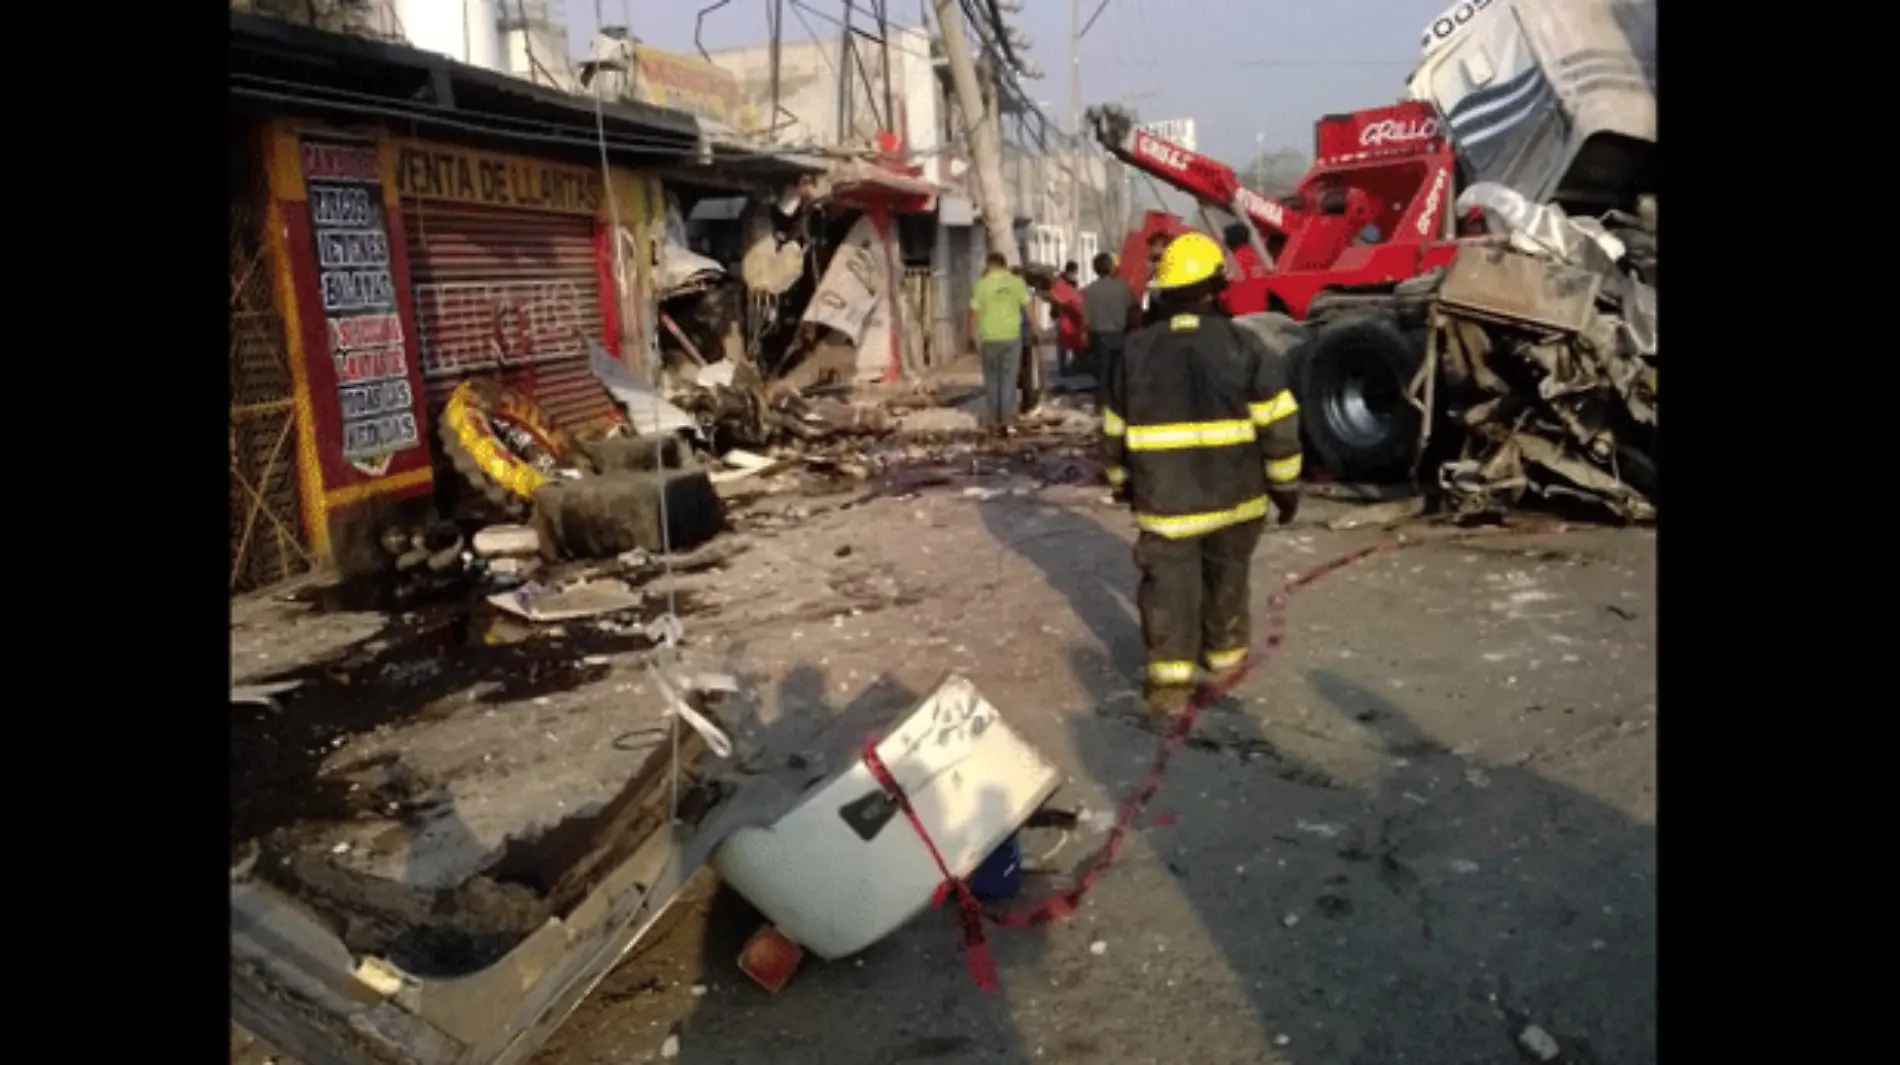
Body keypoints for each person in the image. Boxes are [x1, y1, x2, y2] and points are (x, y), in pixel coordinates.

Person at [1099, 231, 1304, 716]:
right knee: (1227, 581)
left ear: (1165, 291)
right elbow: (1279, 424)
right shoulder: (1246, 345)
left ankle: (1171, 686)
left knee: (1169, 591)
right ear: (1216, 285)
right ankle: (1226, 663)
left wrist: (1120, 482)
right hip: (1240, 501)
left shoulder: (1132, 351)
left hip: (1166, 503)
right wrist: (1286, 487)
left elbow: (1113, 430)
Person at [968, 251, 1032, 434]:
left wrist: (970, 335)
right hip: (1011, 337)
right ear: (1004, 264)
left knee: (992, 380)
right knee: (1008, 378)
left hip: (988, 338)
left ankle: (995, 419)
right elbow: (1028, 307)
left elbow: (973, 313)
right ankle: (1007, 418)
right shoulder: (1016, 283)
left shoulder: (981, 285)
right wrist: (1035, 329)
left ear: (989, 264)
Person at [1080, 251, 1136, 409]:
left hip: (1098, 335)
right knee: (1118, 372)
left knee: (1102, 373)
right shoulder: (1123, 287)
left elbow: (1086, 317)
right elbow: (1133, 308)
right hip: (1119, 334)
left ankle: (1104, 404)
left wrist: (1085, 335)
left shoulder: (1090, 291)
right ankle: (1118, 403)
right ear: (1111, 268)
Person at [1056, 260, 1083, 379]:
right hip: (1062, 315)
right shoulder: (1060, 282)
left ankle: (1072, 366)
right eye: (1073, 272)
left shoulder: (1072, 282)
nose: (1074, 275)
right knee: (1062, 342)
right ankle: (1063, 368)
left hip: (1071, 315)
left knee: (1072, 340)